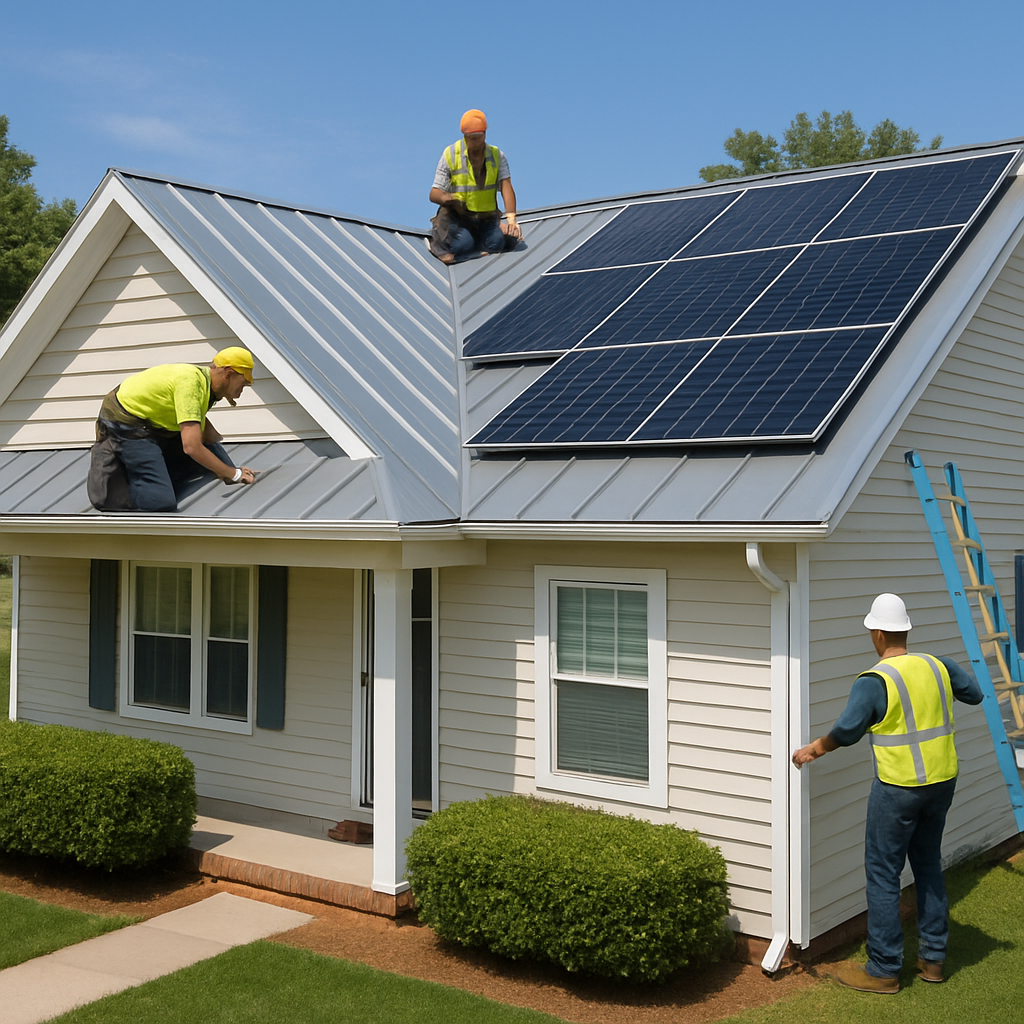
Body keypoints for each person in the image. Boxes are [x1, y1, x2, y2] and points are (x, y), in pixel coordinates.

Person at [792, 593, 983, 994]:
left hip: (899, 789)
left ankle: (883, 968)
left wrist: (815, 748)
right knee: (928, 864)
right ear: (906, 630)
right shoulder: (937, 665)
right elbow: (975, 694)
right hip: (942, 782)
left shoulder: (875, 680)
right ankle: (932, 961)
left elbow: (848, 729)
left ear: (876, 633)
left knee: (883, 874)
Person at [88, 347, 259, 512]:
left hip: (152, 422)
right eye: (242, 384)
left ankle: (158, 471)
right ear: (229, 374)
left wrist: (231, 470)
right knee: (160, 500)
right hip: (127, 423)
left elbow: (204, 433)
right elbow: (191, 447)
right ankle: (114, 468)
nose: (240, 392)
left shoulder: (207, 385)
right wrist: (234, 474)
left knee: (217, 464)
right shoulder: (190, 385)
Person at [429, 108, 522, 264]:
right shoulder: (451, 154)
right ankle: (447, 239)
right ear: (464, 136)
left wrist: (511, 218)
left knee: (497, 244)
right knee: (462, 245)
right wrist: (447, 198)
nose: (473, 142)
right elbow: (434, 193)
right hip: (459, 218)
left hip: (486, 218)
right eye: (469, 138)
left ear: (484, 135)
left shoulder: (496, 156)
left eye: (477, 138)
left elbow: (506, 186)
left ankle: (482, 239)